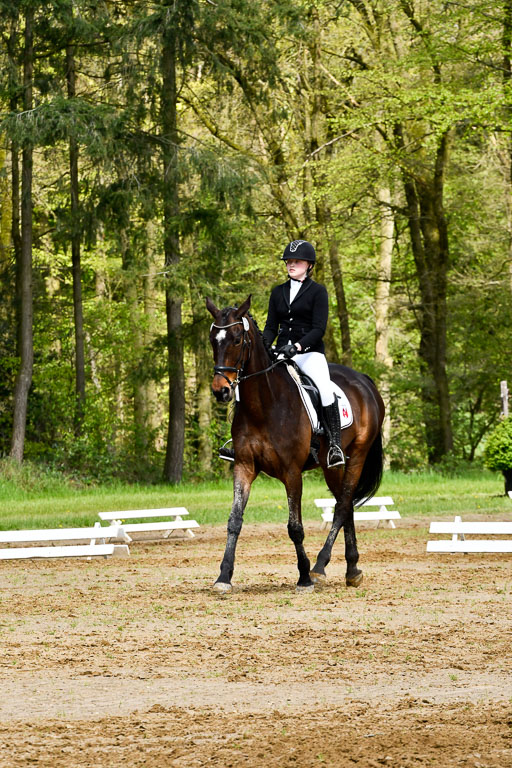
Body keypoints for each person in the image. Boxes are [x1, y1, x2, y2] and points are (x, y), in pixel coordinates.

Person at [219, 239, 344, 467]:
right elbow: (270, 327)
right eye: (288, 261)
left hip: (309, 354)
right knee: (244, 385)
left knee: (325, 389)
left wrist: (297, 347)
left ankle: (334, 445)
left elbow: (318, 329)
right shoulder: (278, 292)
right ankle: (236, 441)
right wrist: (265, 347)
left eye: (297, 261)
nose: (291, 264)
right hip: (280, 353)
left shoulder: (318, 292)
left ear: (309, 265)